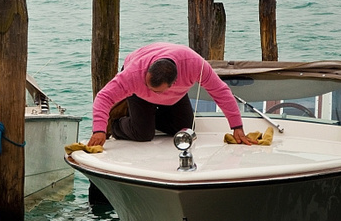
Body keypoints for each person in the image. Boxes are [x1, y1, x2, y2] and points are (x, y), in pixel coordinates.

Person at [87, 43, 254, 147]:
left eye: (156, 90)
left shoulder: (195, 65)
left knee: (185, 129)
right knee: (143, 134)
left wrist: (237, 127)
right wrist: (99, 130)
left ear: (173, 84)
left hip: (176, 95)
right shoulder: (134, 74)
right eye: (148, 84)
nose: (150, 90)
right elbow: (103, 97)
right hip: (138, 93)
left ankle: (145, 116)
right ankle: (117, 123)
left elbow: (221, 92)